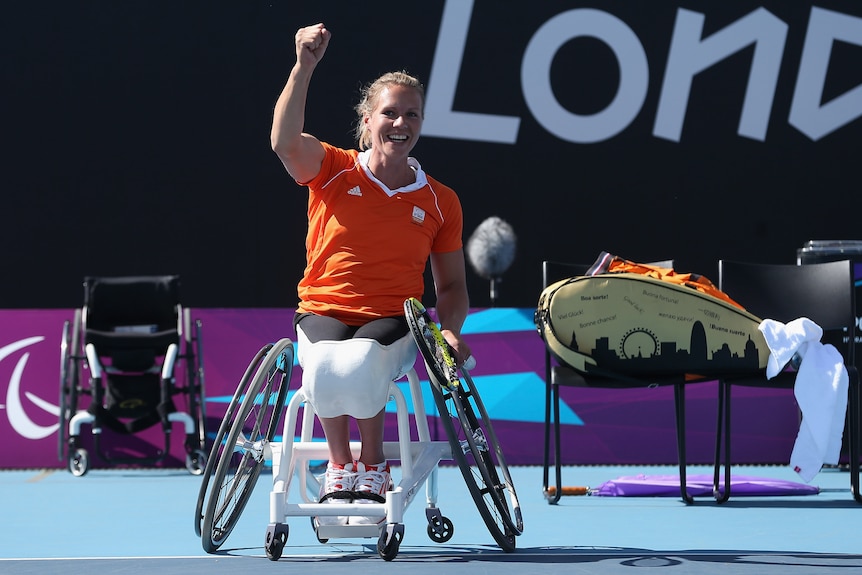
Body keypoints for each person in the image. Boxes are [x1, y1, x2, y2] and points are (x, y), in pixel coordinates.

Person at [270, 23, 472, 527]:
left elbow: (451, 286)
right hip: (323, 306)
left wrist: (449, 330)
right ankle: (341, 464)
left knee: (360, 362)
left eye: (411, 114)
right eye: (389, 112)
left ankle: (375, 461)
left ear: (421, 122)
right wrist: (304, 66)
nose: (400, 122)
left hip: (395, 316)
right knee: (324, 367)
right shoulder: (332, 169)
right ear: (368, 119)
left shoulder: (440, 200)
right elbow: (282, 141)